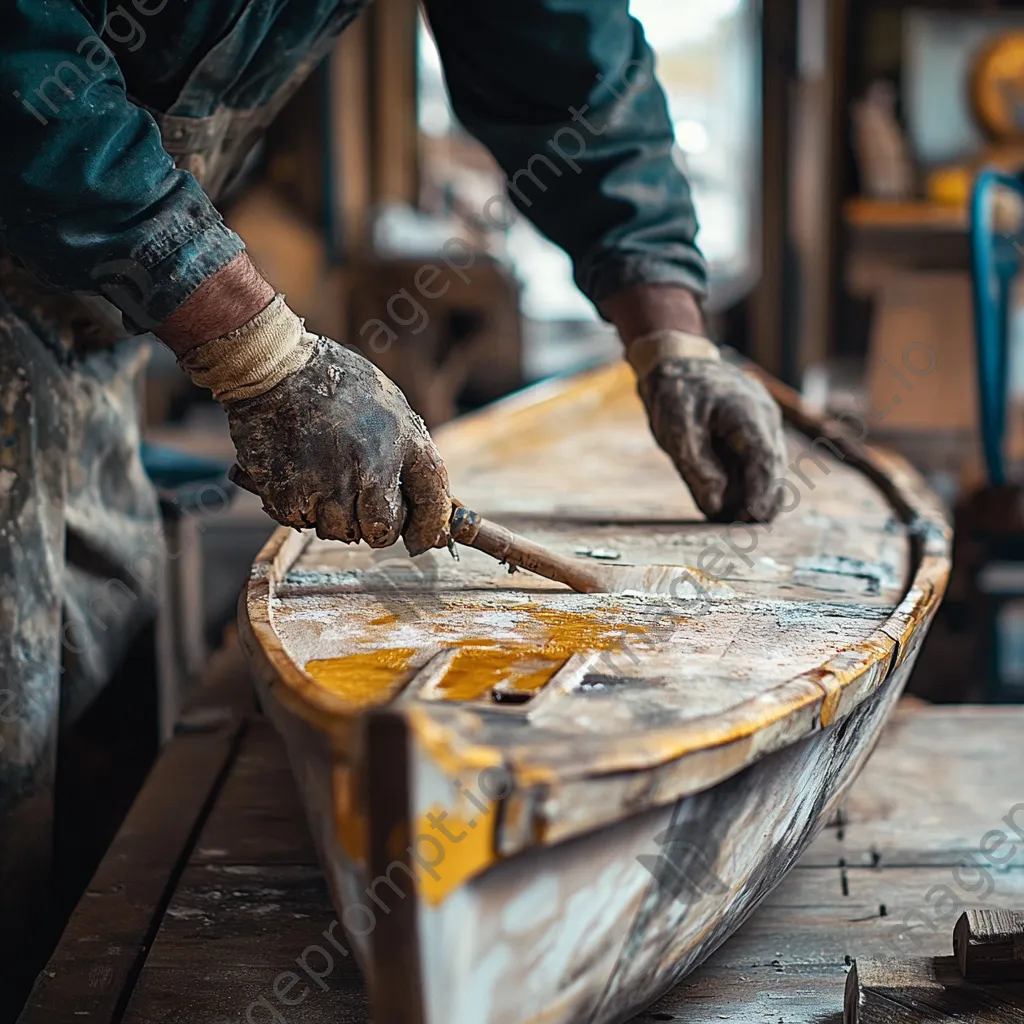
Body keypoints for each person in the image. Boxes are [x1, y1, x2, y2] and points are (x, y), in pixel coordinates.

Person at [0, 0, 787, 1001]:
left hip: (88, 314)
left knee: (78, 690)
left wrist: (670, 330)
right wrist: (257, 349)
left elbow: (561, 54)